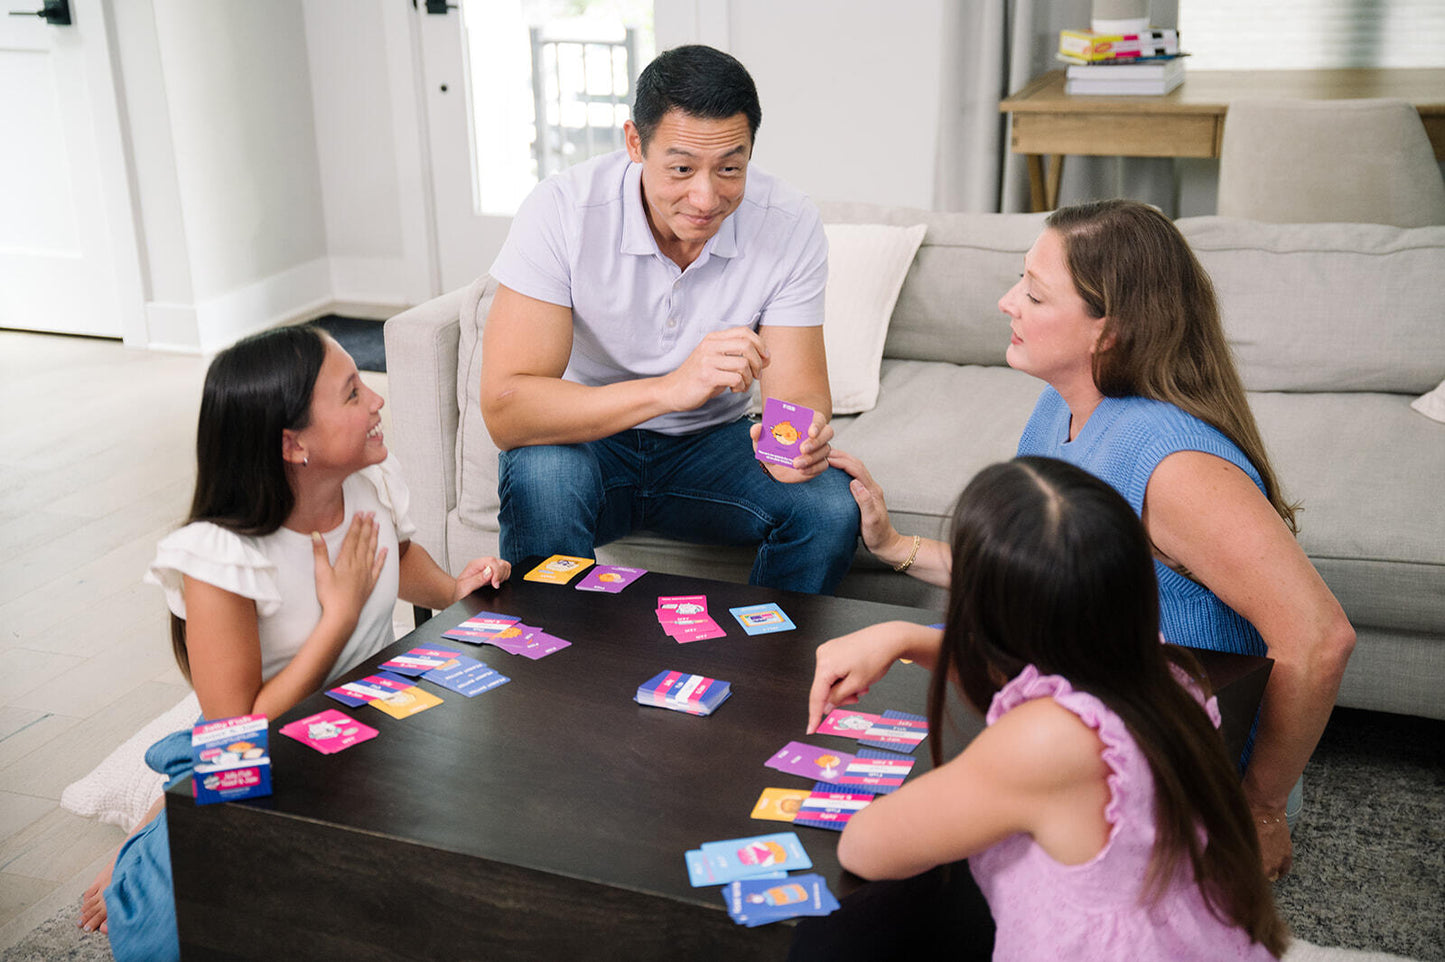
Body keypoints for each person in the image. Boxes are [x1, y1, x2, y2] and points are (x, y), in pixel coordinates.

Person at [825, 199, 1354, 879]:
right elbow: (1046, 578)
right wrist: (894, 544)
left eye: (1033, 293)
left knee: (913, 854)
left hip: (1173, 752)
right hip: (1092, 708)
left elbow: (1319, 639)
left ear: (1109, 332)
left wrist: (1258, 811)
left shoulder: (1175, 467)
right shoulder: (1062, 406)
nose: (1004, 302)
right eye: (1020, 280)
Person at [78, 326, 510, 961]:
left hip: (364, 728)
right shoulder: (217, 559)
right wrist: (338, 617)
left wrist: (453, 588)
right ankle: (157, 829)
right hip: (254, 747)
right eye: (353, 393)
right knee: (184, 934)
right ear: (293, 444)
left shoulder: (369, 484)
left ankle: (173, 807)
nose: (377, 402)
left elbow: (397, 551)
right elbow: (234, 733)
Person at [807, 457, 1291, 960]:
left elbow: (864, 848)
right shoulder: (1161, 668)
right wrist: (903, 637)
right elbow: (1030, 674)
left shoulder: (1047, 742)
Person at [479, 43, 859, 594]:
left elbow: (796, 406)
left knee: (827, 506)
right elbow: (507, 411)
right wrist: (672, 388)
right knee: (542, 471)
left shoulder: (788, 221)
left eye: (731, 168)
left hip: (713, 444)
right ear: (635, 143)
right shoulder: (562, 210)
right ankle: (558, 670)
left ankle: (767, 669)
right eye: (681, 168)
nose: (705, 197)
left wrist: (793, 450)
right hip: (589, 437)